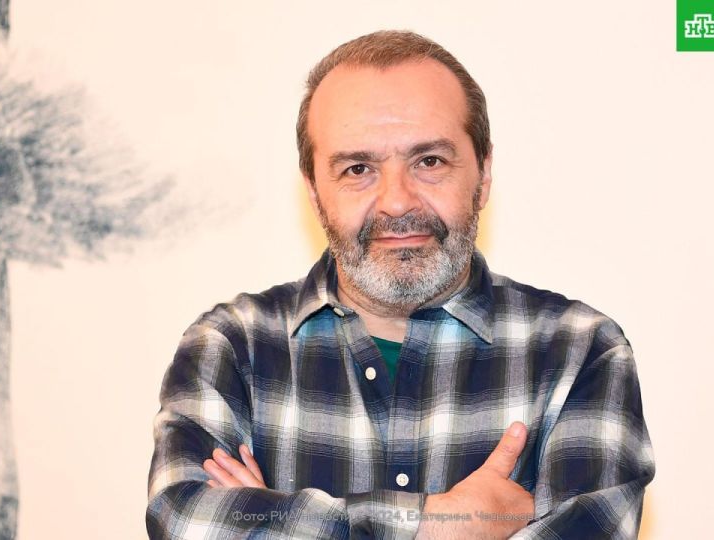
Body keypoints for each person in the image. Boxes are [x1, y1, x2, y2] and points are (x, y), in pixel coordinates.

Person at [146, 30, 655, 539]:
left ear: (483, 174)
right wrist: (439, 525)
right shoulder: (232, 346)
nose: (396, 201)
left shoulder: (580, 351)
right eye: (358, 168)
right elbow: (186, 519)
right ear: (315, 191)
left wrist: (275, 521)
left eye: (429, 161)